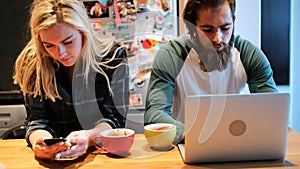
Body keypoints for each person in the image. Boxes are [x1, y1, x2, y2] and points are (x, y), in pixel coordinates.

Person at [144, 0, 278, 145]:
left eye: (225, 28)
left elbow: (273, 110)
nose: (218, 39)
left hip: (236, 144)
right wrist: (192, 135)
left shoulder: (248, 55)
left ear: (233, 20)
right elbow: (155, 114)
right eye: (207, 30)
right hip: (187, 144)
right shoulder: (171, 55)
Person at [13, 0, 129, 160]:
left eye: (68, 42)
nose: (60, 53)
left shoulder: (113, 57)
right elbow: (37, 120)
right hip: (54, 158)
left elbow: (115, 117)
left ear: (84, 33)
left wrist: (89, 137)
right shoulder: (33, 63)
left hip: (101, 155)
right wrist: (38, 141)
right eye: (49, 45)